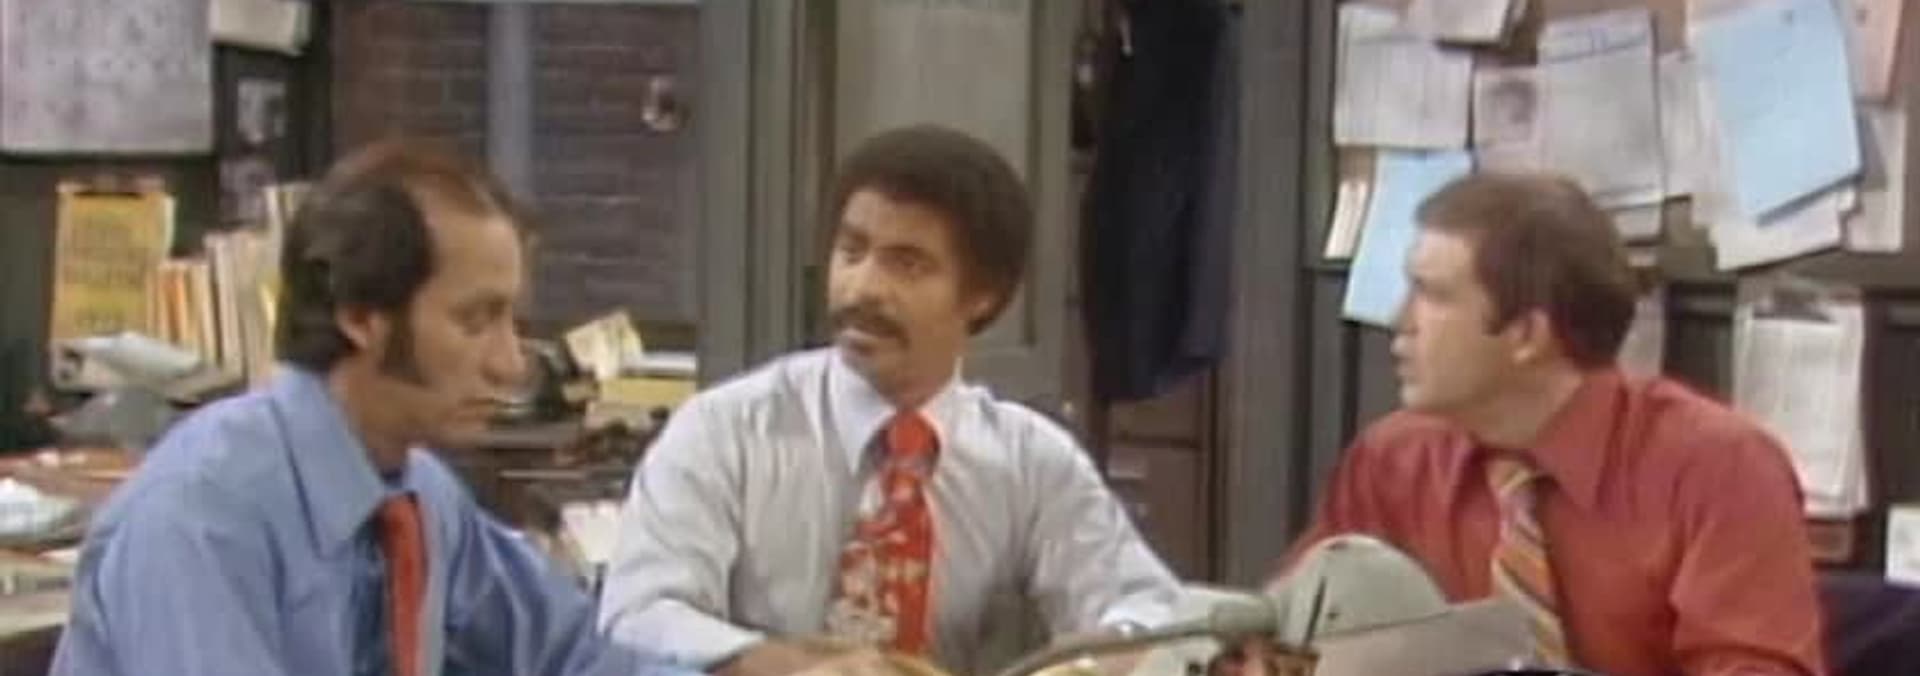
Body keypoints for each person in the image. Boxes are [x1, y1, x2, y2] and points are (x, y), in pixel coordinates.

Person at [50, 141, 692, 676]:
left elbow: (573, 657)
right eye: (475, 321)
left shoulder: (421, 498)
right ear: (361, 316)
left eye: (512, 322)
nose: (511, 366)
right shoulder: (201, 519)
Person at [597, 125, 1181, 676]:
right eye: (851, 252)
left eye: (907, 264)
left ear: (982, 295)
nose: (863, 288)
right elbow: (636, 616)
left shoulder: (1031, 462)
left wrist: (1094, 663)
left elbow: (1147, 611)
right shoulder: (725, 430)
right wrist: (786, 667)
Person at [1242, 173, 1826, 676]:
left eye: (1433, 296)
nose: (1400, 321)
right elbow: (1292, 638)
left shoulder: (1718, 467)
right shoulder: (1395, 461)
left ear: (1526, 334)